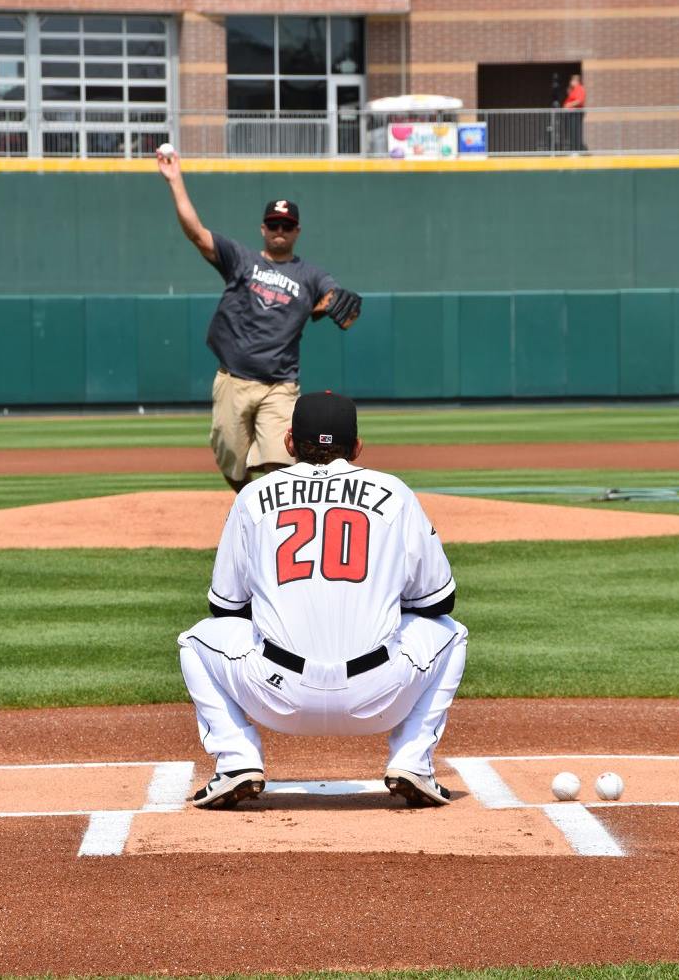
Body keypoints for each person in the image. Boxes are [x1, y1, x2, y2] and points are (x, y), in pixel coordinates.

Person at [177, 390, 468, 810]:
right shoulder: (394, 492)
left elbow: (225, 607)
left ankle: (237, 760)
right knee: (451, 634)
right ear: (358, 447)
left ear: (290, 443)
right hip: (380, 696)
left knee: (197, 640)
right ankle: (413, 761)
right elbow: (439, 602)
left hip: (277, 696)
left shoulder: (253, 497)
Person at [156, 151, 361, 491]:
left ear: (297, 230)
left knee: (279, 459)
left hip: (280, 384)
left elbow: (336, 298)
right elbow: (196, 233)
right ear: (263, 228)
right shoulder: (241, 259)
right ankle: (245, 501)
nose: (280, 230)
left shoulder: (310, 275)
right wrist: (175, 180)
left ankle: (274, 516)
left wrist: (329, 304)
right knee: (230, 458)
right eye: (274, 224)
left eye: (287, 225)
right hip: (233, 379)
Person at [562, 72, 586, 153]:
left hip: (575, 114)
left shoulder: (579, 88)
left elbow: (579, 101)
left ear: (576, 81)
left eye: (572, 81)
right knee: (572, 132)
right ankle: (575, 150)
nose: (570, 82)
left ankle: (577, 151)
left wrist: (569, 105)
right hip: (572, 114)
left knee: (575, 132)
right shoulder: (574, 89)